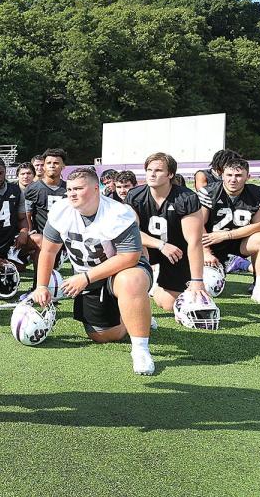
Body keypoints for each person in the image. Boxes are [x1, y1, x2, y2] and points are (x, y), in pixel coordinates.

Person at [32, 167, 155, 375]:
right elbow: (48, 251)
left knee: (129, 281)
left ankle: (140, 349)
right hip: (88, 275)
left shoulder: (118, 213)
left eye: (79, 188)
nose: (72, 193)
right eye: (69, 189)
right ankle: (135, 314)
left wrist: (86, 278)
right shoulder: (60, 211)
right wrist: (42, 285)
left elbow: (129, 257)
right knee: (102, 335)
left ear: (96, 189)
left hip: (122, 270)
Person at [126, 152, 206, 311]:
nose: (152, 174)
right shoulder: (135, 195)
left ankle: (156, 285)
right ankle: (144, 278)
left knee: (168, 304)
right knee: (132, 246)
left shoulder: (186, 198)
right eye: (149, 170)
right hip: (148, 248)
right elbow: (132, 233)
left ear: (170, 174)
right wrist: (161, 245)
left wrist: (197, 280)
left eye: (158, 171)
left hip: (176, 252)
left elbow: (194, 241)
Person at [197, 158, 260, 304]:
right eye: (229, 175)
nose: (233, 180)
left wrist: (227, 235)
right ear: (222, 175)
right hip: (210, 243)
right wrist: (205, 252)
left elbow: (259, 225)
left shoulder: (256, 192)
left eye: (238, 176)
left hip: (239, 241)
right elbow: (198, 225)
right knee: (208, 288)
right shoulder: (209, 192)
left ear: (247, 177)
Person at [25, 149, 67, 262]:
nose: (52, 166)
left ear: (63, 166)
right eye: (48, 163)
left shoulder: (69, 188)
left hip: (65, 235)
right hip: (42, 236)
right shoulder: (33, 188)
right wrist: (29, 230)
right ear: (44, 166)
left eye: (56, 163)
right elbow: (27, 213)